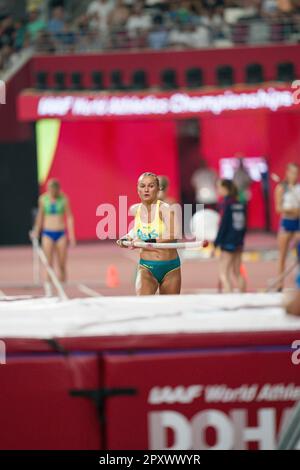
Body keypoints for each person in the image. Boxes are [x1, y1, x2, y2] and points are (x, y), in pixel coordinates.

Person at [117, 172, 181, 295]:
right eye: (142, 186)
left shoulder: (165, 209)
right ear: (137, 189)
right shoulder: (136, 209)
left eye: (151, 186)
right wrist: (127, 238)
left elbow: (174, 233)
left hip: (170, 268)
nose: (146, 190)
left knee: (170, 309)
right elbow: (137, 230)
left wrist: (147, 242)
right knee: (143, 304)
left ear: (158, 189)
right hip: (146, 267)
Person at [30, 178, 76, 285]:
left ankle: (63, 287)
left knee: (62, 264)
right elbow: (40, 216)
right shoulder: (43, 199)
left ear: (58, 190)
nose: (52, 193)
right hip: (47, 233)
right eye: (50, 190)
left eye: (54, 191)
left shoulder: (64, 199)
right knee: (48, 264)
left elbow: (69, 217)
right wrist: (37, 230)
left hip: (60, 233)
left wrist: (72, 235)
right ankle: (49, 289)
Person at [213, 179, 247, 293]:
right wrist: (240, 241)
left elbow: (223, 226)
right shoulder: (239, 203)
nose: (218, 190)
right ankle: (243, 296)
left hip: (228, 242)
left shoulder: (225, 204)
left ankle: (229, 300)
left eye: (219, 187)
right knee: (237, 272)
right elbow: (243, 225)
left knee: (224, 273)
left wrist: (216, 244)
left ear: (225, 189)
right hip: (238, 242)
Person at [275, 163, 300, 291]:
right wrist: (292, 210)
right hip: (286, 222)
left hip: (298, 224)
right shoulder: (281, 188)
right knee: (282, 255)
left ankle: (298, 284)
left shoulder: (299, 188)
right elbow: (278, 208)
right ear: (287, 172)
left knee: (298, 255)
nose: (294, 175)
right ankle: (279, 284)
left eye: (296, 173)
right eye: (292, 172)